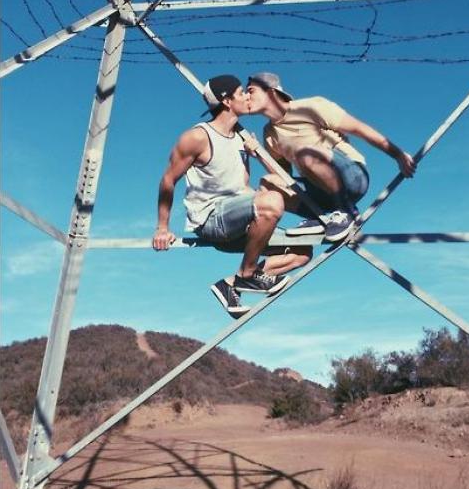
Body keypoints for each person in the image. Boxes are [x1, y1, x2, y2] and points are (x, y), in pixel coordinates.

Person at [152, 74, 312, 316]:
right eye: (241, 93)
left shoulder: (242, 137)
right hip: (211, 219)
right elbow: (167, 180)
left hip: (242, 222)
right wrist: (162, 227)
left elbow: (273, 179)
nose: (248, 97)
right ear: (227, 101)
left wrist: (257, 154)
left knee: (302, 251)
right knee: (271, 201)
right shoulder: (197, 137)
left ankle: (231, 283)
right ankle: (249, 274)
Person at [246, 72, 416, 242]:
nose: (246, 97)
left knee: (304, 152)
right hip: (318, 189)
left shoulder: (310, 107)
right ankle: (319, 218)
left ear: (270, 92)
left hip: (351, 176)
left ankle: (346, 211)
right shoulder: (269, 134)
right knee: (267, 183)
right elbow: (283, 177)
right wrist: (259, 155)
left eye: (251, 91)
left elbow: (359, 129)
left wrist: (398, 155)